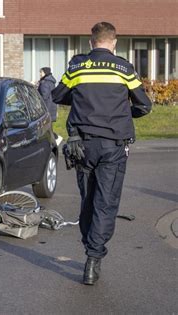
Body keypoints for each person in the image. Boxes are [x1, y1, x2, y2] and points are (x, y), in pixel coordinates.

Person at [52, 22, 152, 285]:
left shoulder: (77, 67)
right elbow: (144, 105)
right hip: (112, 145)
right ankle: (93, 259)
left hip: (81, 145)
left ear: (90, 42)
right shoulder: (123, 68)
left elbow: (57, 95)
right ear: (114, 43)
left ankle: (89, 246)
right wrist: (120, 113)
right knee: (105, 202)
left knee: (88, 199)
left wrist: (84, 102)